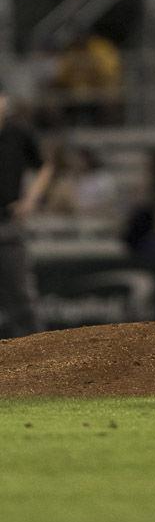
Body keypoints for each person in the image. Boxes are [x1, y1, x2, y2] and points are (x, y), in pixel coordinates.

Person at [0, 85, 54, 337]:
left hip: (8, 224)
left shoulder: (18, 133)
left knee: (21, 295)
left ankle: (38, 355)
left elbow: (44, 166)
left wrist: (31, 200)